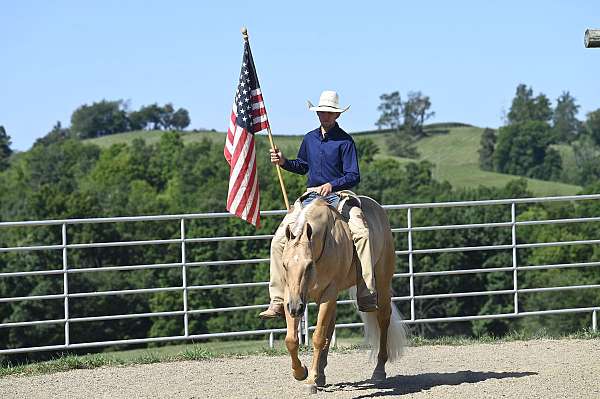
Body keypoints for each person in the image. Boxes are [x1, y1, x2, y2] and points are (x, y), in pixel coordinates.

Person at [259, 90, 378, 319]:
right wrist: (284, 162)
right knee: (277, 241)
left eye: (329, 113)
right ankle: (277, 299)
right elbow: (302, 166)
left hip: (340, 195)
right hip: (310, 198)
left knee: (362, 232)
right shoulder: (309, 138)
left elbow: (353, 175)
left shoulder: (345, 141)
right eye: (322, 112)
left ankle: (366, 290)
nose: (325, 116)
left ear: (337, 116)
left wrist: (332, 185)